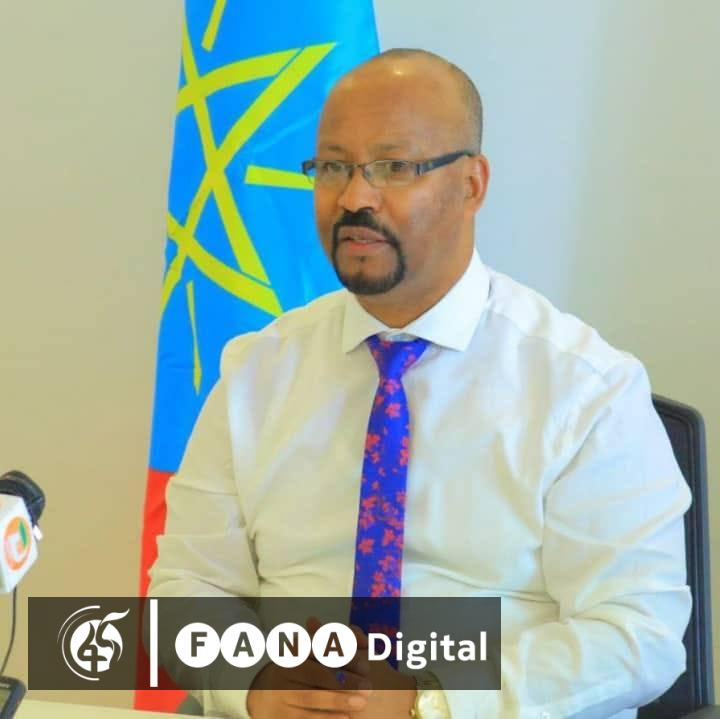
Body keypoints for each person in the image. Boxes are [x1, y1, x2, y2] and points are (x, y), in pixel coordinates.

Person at [148, 48, 692, 718]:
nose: (354, 197)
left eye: (394, 166)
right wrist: (256, 684)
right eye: (333, 167)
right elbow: (186, 589)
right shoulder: (256, 371)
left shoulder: (587, 389)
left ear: (472, 185)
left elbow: (636, 633)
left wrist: (429, 701)